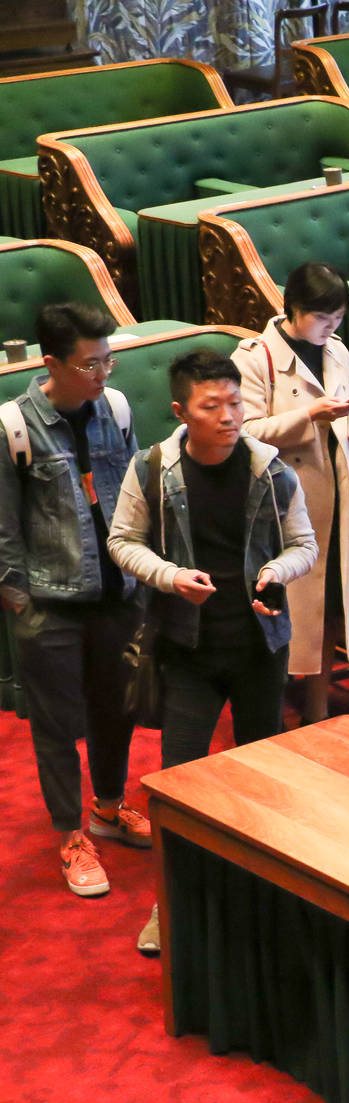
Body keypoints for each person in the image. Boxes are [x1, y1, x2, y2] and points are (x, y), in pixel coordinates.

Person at [109, 350, 316, 768]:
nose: (229, 417)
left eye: (235, 403)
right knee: (183, 774)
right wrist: (171, 576)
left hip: (260, 644)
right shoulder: (152, 469)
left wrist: (277, 569)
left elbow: (304, 546)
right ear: (180, 412)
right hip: (187, 649)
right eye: (212, 406)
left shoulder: (272, 471)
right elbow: (123, 541)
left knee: (264, 771)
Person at [0, 303, 145, 900]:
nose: (103, 373)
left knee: (118, 710)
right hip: (50, 603)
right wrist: (18, 602)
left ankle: (107, 810)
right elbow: (4, 525)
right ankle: (69, 835)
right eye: (90, 364)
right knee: (58, 725)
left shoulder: (115, 409)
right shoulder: (13, 426)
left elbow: (134, 493)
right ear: (51, 362)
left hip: (117, 594)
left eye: (108, 359)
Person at [232, 261, 349, 723]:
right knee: (281, 612)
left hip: (334, 500)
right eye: (322, 317)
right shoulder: (254, 358)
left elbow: (342, 427)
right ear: (292, 307)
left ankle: (318, 711)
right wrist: (311, 415)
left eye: (338, 318)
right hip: (281, 505)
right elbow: (244, 433)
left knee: (326, 606)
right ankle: (271, 715)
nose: (331, 327)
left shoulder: (338, 351)